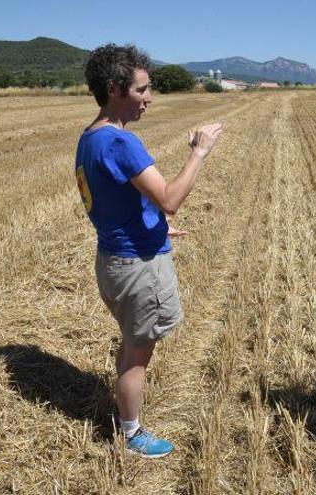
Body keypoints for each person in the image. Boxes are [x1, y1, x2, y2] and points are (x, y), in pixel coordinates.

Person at [75, 44, 223, 458]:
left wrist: (153, 227)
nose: (148, 98)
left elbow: (104, 200)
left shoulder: (89, 138)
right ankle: (132, 434)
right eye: (141, 89)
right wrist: (199, 151)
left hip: (112, 260)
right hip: (138, 268)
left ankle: (127, 412)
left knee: (131, 342)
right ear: (114, 89)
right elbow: (170, 198)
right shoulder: (122, 142)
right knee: (138, 355)